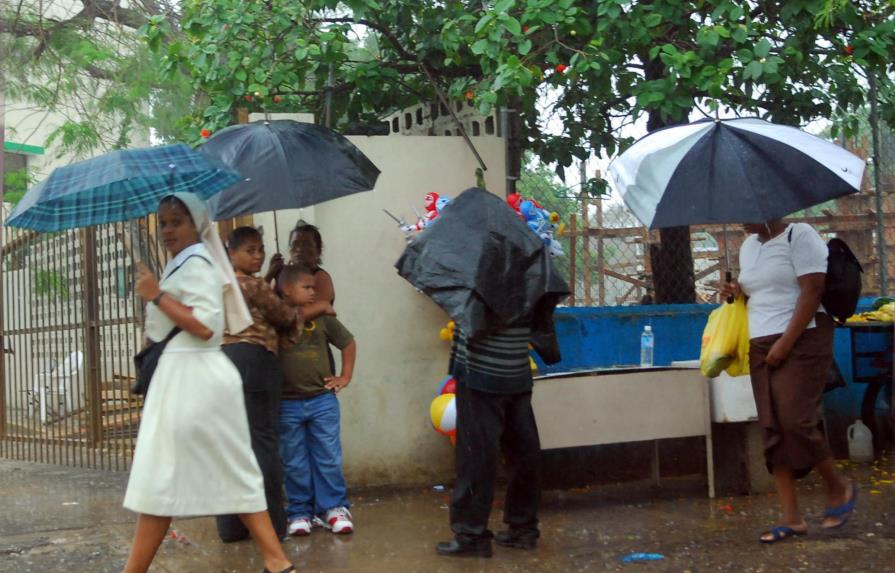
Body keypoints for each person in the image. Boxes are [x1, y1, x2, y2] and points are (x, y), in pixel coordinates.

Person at [124, 194, 294, 573]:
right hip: (183, 377)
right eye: (164, 222)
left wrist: (157, 295)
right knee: (198, 474)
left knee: (165, 478)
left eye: (177, 222)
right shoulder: (185, 264)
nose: (168, 229)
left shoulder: (198, 263)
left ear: (196, 225)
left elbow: (205, 326)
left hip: (193, 379)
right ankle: (277, 561)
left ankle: (277, 559)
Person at [722, 219, 855, 544]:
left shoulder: (800, 234)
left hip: (804, 337)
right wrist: (735, 292)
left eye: (747, 210)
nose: (741, 219)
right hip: (760, 340)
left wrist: (785, 343)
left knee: (795, 420)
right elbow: (760, 292)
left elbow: (812, 290)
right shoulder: (749, 246)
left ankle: (838, 487)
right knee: (772, 425)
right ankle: (791, 517)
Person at [215, 226, 302, 543]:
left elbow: (247, 301)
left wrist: (270, 274)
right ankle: (276, 524)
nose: (258, 255)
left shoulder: (224, 284)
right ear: (233, 253)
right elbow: (283, 316)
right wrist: (303, 309)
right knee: (263, 443)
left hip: (224, 362)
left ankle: (231, 526)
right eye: (250, 250)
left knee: (231, 445)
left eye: (260, 249)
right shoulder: (252, 285)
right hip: (256, 361)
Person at [436, 322, 542, 558]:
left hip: (480, 371)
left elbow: (474, 316)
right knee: (523, 450)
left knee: (476, 455)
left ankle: (470, 535)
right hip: (516, 368)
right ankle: (523, 529)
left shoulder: (478, 284)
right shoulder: (531, 284)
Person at [276, 264, 357, 536]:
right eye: (306, 288)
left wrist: (344, 377)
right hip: (286, 403)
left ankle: (333, 508)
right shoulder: (277, 319)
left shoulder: (323, 319)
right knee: (294, 460)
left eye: (314, 287)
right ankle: (300, 511)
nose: (314, 292)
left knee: (328, 457)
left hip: (322, 400)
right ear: (286, 290)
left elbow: (347, 342)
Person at [266, 222, 335, 320]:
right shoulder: (282, 275)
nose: (299, 249)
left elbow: (313, 313)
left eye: (306, 244)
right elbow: (264, 303)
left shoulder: (320, 277)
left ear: (318, 251)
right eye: (295, 244)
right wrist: (270, 275)